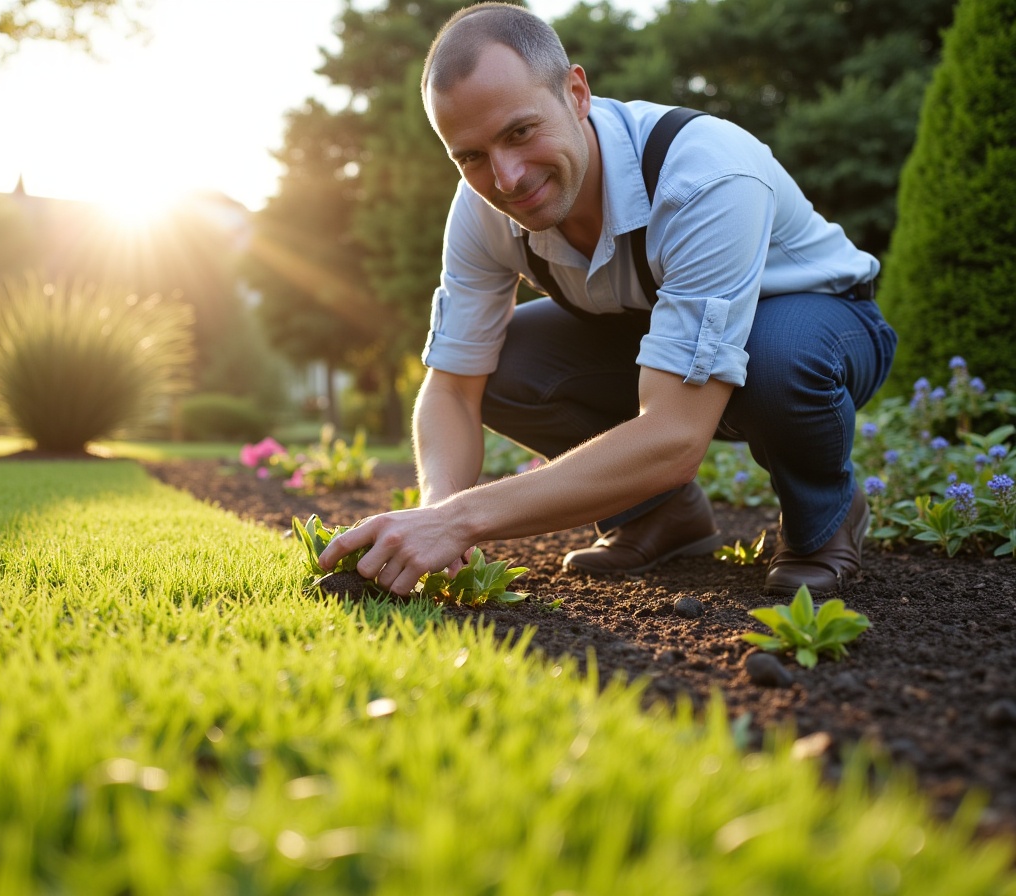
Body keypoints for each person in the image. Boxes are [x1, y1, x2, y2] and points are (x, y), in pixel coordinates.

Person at [318, 2, 897, 597]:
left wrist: (459, 518)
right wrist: (437, 516)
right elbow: (451, 387)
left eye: (520, 131)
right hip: (656, 333)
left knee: (778, 359)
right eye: (471, 156)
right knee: (502, 362)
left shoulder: (703, 176)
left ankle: (823, 520)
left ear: (575, 93)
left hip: (823, 325)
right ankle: (659, 517)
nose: (508, 177)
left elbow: (675, 435)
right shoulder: (480, 210)